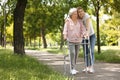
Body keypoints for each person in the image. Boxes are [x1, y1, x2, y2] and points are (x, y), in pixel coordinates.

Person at [63, 8, 86, 75]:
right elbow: (65, 30)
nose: (76, 15)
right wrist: (65, 35)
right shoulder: (68, 21)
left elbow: (83, 29)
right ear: (71, 15)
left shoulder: (80, 21)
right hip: (70, 40)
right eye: (75, 14)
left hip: (78, 40)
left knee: (76, 55)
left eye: (76, 14)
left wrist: (84, 34)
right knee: (72, 53)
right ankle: (72, 68)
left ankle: (74, 68)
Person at [77, 7, 96, 73]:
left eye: (81, 11)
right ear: (78, 14)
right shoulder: (78, 19)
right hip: (83, 37)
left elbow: (87, 26)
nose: (80, 13)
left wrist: (87, 33)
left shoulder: (86, 16)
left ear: (83, 11)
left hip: (91, 35)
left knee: (92, 50)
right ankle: (87, 67)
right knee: (86, 52)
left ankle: (91, 67)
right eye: (79, 12)